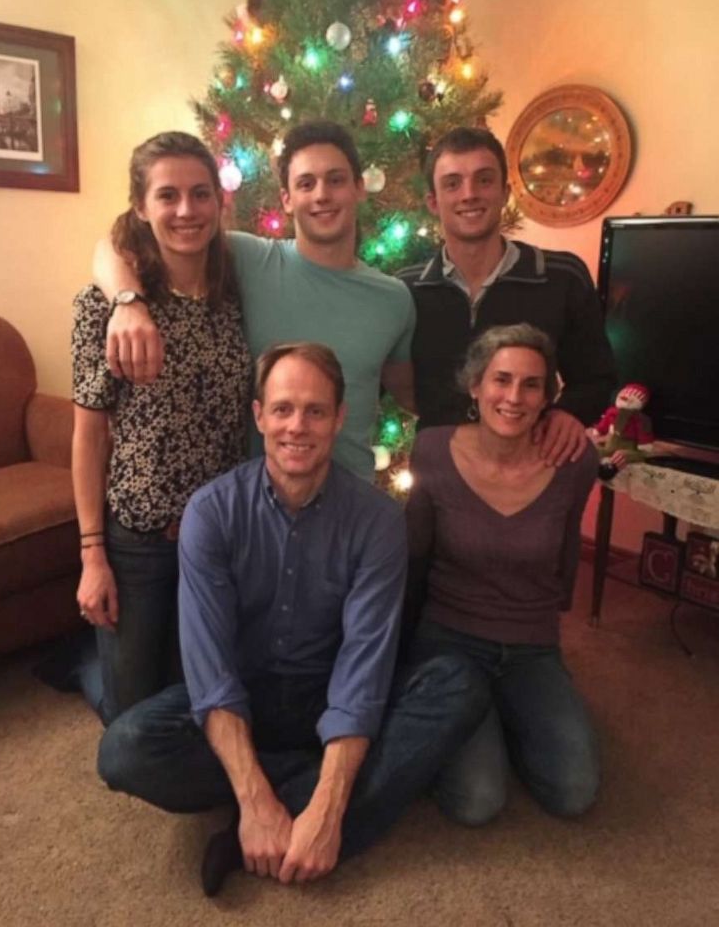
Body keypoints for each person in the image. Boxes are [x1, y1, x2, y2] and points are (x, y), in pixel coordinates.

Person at [97, 343, 487, 895]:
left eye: (315, 411)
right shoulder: (212, 512)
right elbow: (210, 674)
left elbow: (363, 667)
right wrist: (258, 800)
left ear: (340, 418)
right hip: (243, 697)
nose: (296, 426)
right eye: (282, 409)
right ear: (258, 416)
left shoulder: (376, 520)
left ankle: (281, 822)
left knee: (459, 685)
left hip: (328, 693)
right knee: (125, 749)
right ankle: (292, 797)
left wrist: (327, 808)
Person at [92, 120, 416, 482]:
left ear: (359, 188)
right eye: (306, 184)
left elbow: (409, 393)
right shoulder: (247, 258)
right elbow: (116, 244)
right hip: (255, 511)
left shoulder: (393, 299)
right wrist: (127, 303)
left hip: (349, 510)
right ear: (287, 200)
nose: (321, 195)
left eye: (336, 180)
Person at [71, 131, 251, 723]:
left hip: (215, 540)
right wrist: (93, 554)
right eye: (167, 195)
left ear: (218, 204)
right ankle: (83, 666)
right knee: (130, 717)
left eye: (201, 194)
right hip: (139, 542)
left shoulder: (235, 292)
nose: (185, 210)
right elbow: (89, 435)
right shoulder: (106, 306)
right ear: (142, 206)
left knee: (196, 701)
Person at [405, 323, 600, 826]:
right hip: (449, 640)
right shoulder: (431, 450)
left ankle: (507, 716)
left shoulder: (575, 462)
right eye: (501, 380)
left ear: (548, 395)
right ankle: (471, 719)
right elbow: (415, 556)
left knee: (575, 791)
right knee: (477, 802)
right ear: (475, 386)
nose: (514, 397)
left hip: (531, 646)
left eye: (531, 384)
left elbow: (563, 559)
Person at [400, 126, 616, 467]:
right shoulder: (405, 291)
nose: (469, 194)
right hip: (439, 479)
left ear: (505, 192)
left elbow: (598, 378)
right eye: (452, 183)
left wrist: (567, 413)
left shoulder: (562, 278)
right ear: (433, 202)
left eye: (483, 180)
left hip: (533, 475)